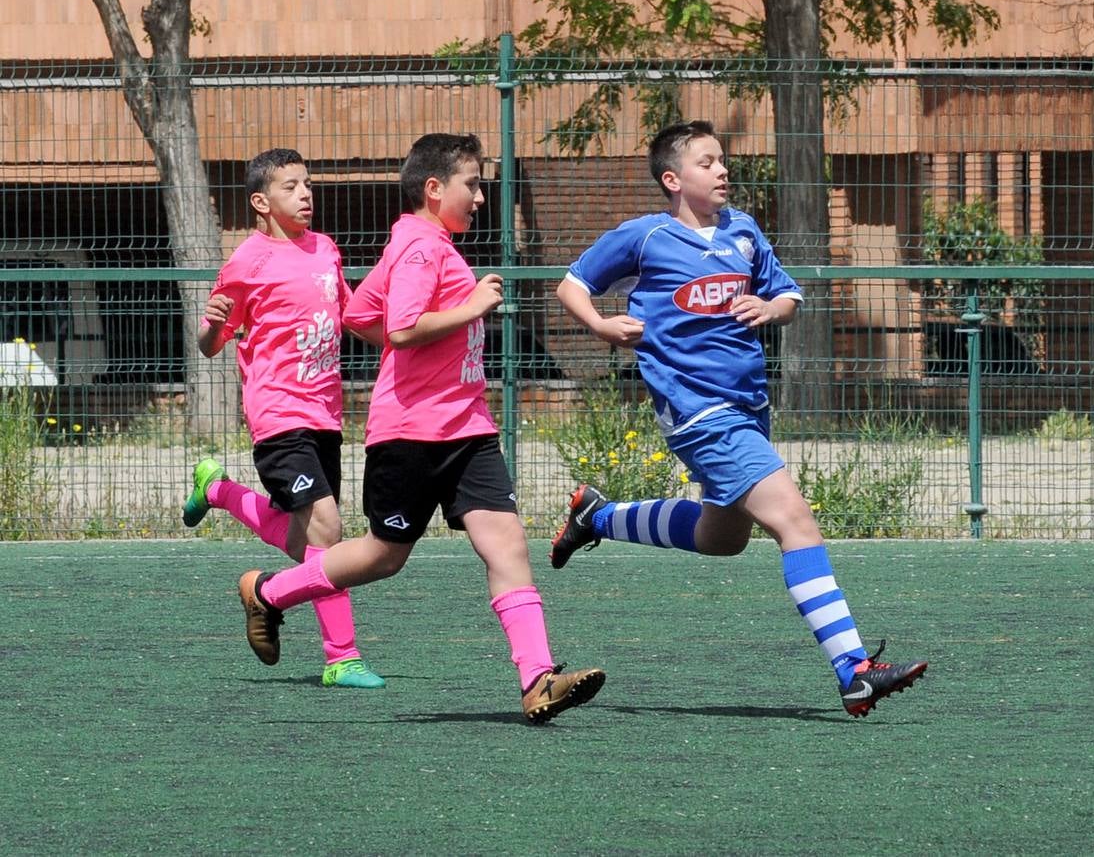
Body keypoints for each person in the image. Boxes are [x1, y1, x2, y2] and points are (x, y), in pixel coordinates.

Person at [551, 120, 927, 717]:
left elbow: (787, 295)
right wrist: (600, 325)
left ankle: (598, 516)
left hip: (749, 407)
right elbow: (572, 284)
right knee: (795, 520)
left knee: (721, 538)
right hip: (699, 413)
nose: (722, 170)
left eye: (722, 160)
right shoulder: (644, 237)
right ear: (673, 179)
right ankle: (855, 670)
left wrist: (770, 308)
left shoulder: (744, 231)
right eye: (707, 162)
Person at [234, 133, 605, 724]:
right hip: (409, 436)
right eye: (473, 184)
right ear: (434, 189)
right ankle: (269, 592)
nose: (480, 197)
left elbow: (360, 315)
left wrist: (422, 353)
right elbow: (401, 328)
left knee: (506, 544)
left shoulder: (422, 242)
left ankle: (537, 678)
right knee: (384, 556)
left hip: (468, 431)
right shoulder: (419, 249)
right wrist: (470, 309)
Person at [184, 147, 385, 689]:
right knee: (328, 530)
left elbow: (352, 315)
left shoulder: (326, 249)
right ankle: (340, 656)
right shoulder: (247, 261)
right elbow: (209, 345)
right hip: (277, 413)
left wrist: (404, 339)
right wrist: (211, 323)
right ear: (261, 201)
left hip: (325, 415)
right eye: (291, 186)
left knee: (311, 545)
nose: (305, 195)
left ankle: (220, 491)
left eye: (307, 184)